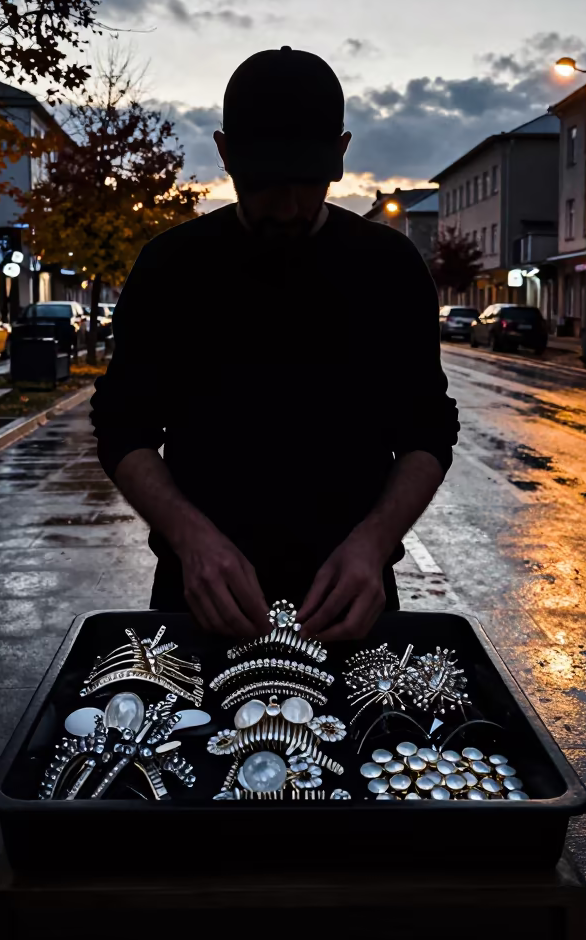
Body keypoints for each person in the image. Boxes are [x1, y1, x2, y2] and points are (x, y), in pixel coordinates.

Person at [90, 46, 458, 641]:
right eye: (263, 182)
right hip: (199, 603)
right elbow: (122, 427)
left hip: (351, 608)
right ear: (225, 153)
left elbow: (427, 431)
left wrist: (373, 544)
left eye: (309, 181)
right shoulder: (171, 267)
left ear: (341, 153)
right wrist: (192, 540)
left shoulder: (390, 268)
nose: (287, 207)